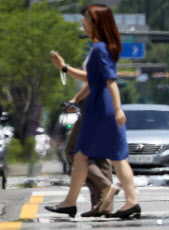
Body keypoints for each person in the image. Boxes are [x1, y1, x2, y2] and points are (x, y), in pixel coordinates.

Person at [45, 4, 140, 219]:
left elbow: (111, 81)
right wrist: (67, 76)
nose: (83, 23)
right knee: (88, 155)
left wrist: (117, 109)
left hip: (101, 107)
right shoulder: (102, 47)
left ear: (96, 23)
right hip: (99, 104)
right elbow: (92, 80)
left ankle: (129, 201)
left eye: (86, 19)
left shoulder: (99, 49)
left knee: (105, 155)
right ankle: (72, 202)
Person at [63, 88, 117, 217]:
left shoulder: (95, 68)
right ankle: (103, 205)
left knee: (74, 152)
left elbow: (91, 80)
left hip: (91, 110)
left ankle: (106, 187)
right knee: (98, 156)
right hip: (103, 106)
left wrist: (75, 100)